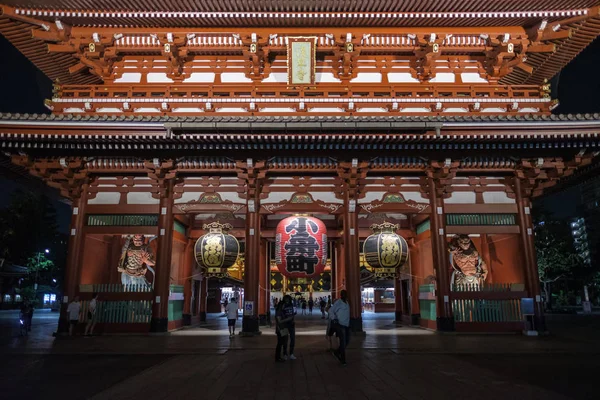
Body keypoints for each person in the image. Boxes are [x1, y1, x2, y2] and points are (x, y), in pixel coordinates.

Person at [328, 290, 351, 365]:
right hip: (340, 325)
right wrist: (334, 318)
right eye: (342, 294)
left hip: (347, 325)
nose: (344, 295)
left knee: (347, 341)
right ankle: (343, 360)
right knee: (343, 342)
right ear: (341, 295)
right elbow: (330, 310)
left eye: (345, 294)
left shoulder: (347, 303)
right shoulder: (338, 302)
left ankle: (337, 352)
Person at [275, 297, 292, 362]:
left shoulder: (282, 311)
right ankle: (277, 357)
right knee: (280, 343)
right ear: (281, 305)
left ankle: (279, 356)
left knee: (283, 342)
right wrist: (288, 319)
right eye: (284, 305)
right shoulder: (279, 311)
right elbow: (279, 321)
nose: (285, 306)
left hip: (283, 328)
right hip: (280, 329)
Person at [281, 294, 297, 360]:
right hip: (284, 325)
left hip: (291, 324)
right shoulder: (282, 306)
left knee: (292, 339)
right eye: (286, 299)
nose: (287, 301)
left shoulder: (291, 306)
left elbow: (293, 314)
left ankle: (291, 353)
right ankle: (285, 354)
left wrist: (293, 319)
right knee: (285, 339)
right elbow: (280, 315)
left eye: (288, 299)